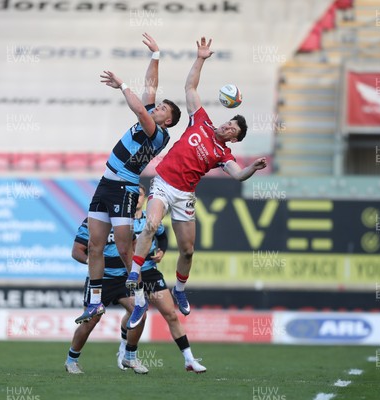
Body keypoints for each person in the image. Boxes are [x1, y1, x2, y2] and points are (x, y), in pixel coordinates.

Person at [125, 37, 267, 326]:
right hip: (163, 183)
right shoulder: (200, 120)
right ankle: (134, 272)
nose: (227, 126)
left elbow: (238, 176)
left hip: (185, 196)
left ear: (234, 139)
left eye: (233, 130)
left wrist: (252, 166)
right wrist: (201, 57)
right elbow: (190, 87)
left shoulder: (223, 155)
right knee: (151, 224)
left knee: (188, 250)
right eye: (229, 122)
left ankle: (179, 290)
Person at [75, 33, 181, 324]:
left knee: (123, 247)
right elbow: (150, 88)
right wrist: (156, 55)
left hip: (124, 188)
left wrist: (121, 84)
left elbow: (137, 105)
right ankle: (95, 302)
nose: (156, 107)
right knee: (96, 245)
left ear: (168, 121)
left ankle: (140, 299)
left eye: (162, 109)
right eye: (158, 106)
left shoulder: (156, 133)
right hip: (106, 184)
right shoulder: (152, 117)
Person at [121, 185, 207, 374]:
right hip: (127, 273)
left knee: (171, 314)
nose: (136, 198)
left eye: (140, 195)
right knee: (135, 313)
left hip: (150, 271)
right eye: (133, 195)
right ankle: (125, 351)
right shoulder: (121, 220)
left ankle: (189, 360)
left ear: (144, 199)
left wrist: (161, 251)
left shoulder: (150, 219)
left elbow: (163, 237)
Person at [64, 218, 146, 374]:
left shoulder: (123, 220)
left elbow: (133, 244)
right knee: (90, 321)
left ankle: (130, 356)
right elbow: (76, 251)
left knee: (140, 313)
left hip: (123, 279)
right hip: (99, 281)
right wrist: (93, 262)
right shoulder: (91, 222)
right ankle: (71, 361)